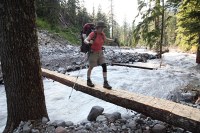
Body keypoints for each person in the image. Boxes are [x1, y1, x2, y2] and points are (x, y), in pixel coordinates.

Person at [84, 21, 116, 89]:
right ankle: (88, 80)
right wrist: (88, 43)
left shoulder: (102, 34)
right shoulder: (93, 34)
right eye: (101, 28)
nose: (102, 29)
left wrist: (113, 40)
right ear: (97, 28)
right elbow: (85, 40)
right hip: (93, 53)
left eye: (103, 28)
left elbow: (106, 39)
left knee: (104, 65)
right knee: (91, 67)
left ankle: (105, 82)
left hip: (100, 52)